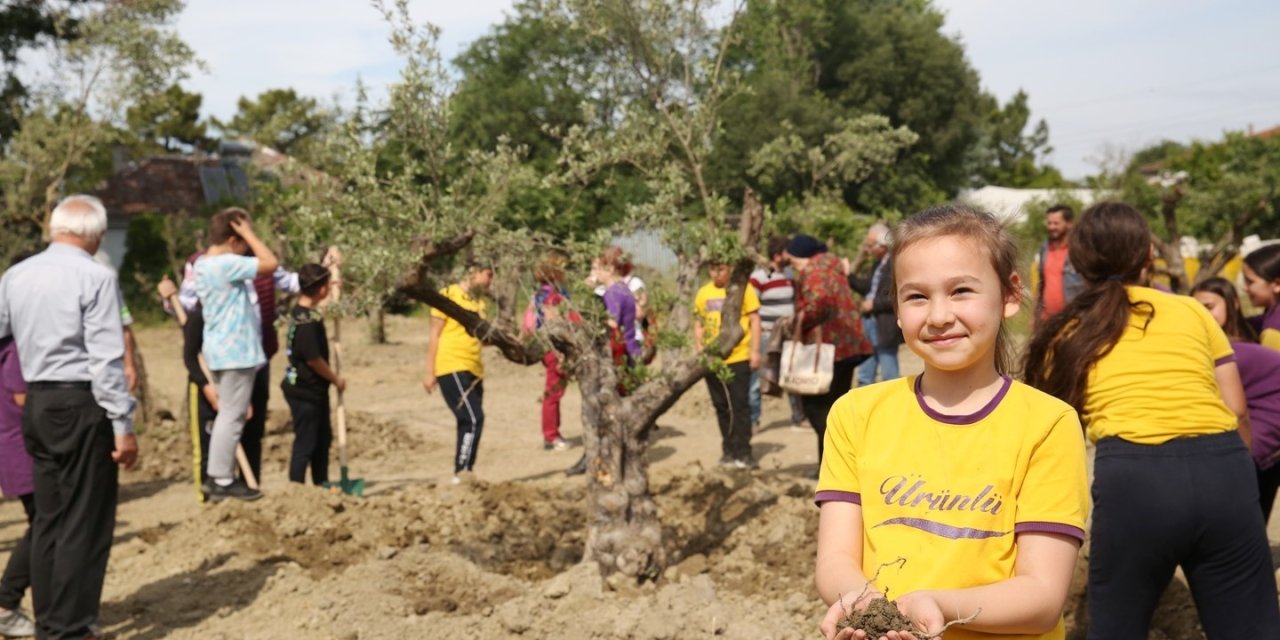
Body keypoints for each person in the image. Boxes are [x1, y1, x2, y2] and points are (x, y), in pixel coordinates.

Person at [816, 204, 1088, 640]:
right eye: (917, 296)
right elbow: (834, 561)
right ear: (898, 310)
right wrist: (863, 604)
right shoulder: (856, 413)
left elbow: (1042, 597)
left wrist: (938, 605)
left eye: (961, 290)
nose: (939, 315)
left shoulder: (1047, 424)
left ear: (1009, 295)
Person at [1023, 202, 1280, 636]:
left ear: (1077, 262)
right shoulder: (1191, 311)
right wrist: (1240, 493)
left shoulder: (1066, 331)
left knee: (1116, 627)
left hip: (1134, 480)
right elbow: (1236, 408)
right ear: (1148, 258)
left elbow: (1053, 431)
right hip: (1223, 468)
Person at [0, 194, 139, 640]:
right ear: (95, 235)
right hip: (80, 402)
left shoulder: (15, 275)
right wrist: (123, 424)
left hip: (37, 403)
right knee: (85, 518)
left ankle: (49, 622)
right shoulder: (96, 276)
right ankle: (71, 628)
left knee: (49, 519)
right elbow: (105, 358)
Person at [177, 248, 301, 483]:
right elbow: (189, 343)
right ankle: (215, 488)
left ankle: (248, 487)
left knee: (251, 433)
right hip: (216, 368)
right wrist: (207, 386)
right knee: (214, 434)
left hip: (254, 363)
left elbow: (291, 281)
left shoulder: (260, 264)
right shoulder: (204, 270)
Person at [194, 208, 278, 501]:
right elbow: (271, 264)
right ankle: (222, 477)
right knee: (232, 416)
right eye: (241, 241)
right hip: (235, 352)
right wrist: (249, 234)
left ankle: (219, 475)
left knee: (228, 415)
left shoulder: (202, 264)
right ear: (233, 239)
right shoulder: (225, 263)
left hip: (218, 349)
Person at [1191, 277, 1280, 522]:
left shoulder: (1245, 343)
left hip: (1258, 442)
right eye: (1196, 309)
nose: (1203, 315)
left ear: (1232, 304)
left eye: (1209, 307)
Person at [785, 234, 871, 466]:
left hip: (830, 350)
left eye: (793, 261)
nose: (792, 267)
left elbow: (818, 303)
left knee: (817, 410)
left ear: (803, 257)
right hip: (849, 347)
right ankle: (836, 466)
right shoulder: (833, 268)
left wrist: (795, 322)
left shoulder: (813, 272)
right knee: (837, 409)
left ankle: (834, 466)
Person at [566, 248, 642, 477]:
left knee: (602, 410)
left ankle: (597, 458)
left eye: (595, 267)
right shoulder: (621, 289)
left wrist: (585, 298)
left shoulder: (613, 293)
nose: (592, 272)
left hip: (617, 355)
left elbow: (610, 325)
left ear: (609, 269)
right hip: (627, 353)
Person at [423, 262, 494, 483]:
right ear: (473, 272)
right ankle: (463, 472)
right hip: (451, 365)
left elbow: (481, 339)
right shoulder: (448, 295)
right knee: (474, 418)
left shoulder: (480, 303)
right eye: (488, 275)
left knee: (467, 421)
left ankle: (463, 471)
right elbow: (434, 333)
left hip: (474, 369)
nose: (491, 281)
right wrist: (429, 371)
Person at [694, 260, 762, 469]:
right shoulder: (703, 293)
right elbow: (698, 324)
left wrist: (755, 351)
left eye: (721, 269)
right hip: (713, 359)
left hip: (738, 356)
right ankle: (729, 450)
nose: (716, 274)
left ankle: (744, 452)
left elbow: (755, 320)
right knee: (721, 406)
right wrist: (700, 350)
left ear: (730, 268)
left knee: (740, 405)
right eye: (712, 269)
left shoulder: (743, 289)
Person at [0, 252, 37, 639]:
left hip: (15, 447)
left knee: (43, 522)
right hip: (22, 448)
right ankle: (6, 602)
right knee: (45, 523)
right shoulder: (16, 348)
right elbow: (25, 400)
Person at [282, 264, 345, 485]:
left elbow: (324, 306)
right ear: (321, 290)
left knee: (322, 441)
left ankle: (321, 485)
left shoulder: (301, 312)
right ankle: (296, 489)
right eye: (326, 285)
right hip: (305, 391)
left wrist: (335, 281)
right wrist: (335, 379)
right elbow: (313, 359)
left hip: (311, 390)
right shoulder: (307, 322)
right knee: (307, 443)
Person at [748, 236, 806, 430]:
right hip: (766, 335)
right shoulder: (759, 277)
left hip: (788, 335)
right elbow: (751, 308)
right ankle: (753, 419)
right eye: (785, 252)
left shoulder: (789, 274)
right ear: (777, 255)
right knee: (758, 378)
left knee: (792, 375)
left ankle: (798, 417)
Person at [847, 222, 902, 387]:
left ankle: (892, 408)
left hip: (884, 323)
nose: (868, 249)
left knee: (889, 373)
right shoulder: (878, 263)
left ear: (882, 245)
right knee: (865, 370)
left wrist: (874, 304)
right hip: (869, 321)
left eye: (870, 245)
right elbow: (867, 287)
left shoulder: (896, 263)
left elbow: (897, 296)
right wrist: (849, 275)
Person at [530, 255, 572, 451]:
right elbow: (553, 322)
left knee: (555, 390)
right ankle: (551, 436)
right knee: (553, 391)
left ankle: (554, 432)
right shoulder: (553, 295)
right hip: (555, 348)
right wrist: (561, 351)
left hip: (548, 347)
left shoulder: (539, 293)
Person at [181, 304, 218, 502]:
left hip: (223, 383)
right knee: (204, 446)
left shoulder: (225, 312)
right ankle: (204, 497)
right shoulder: (198, 316)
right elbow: (189, 357)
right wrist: (206, 387)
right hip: (202, 389)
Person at [1032, 204, 1082, 326]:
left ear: (1069, 223)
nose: (1051, 227)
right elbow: (1042, 283)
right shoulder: (1045, 248)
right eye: (1049, 223)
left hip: (1073, 320)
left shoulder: (1080, 250)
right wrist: (1036, 315)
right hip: (1047, 321)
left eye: (1056, 223)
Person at [1241, 243, 1280, 350]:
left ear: (1277, 284)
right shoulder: (1271, 312)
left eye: (1250, 282)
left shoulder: (1273, 332)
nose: (1244, 288)